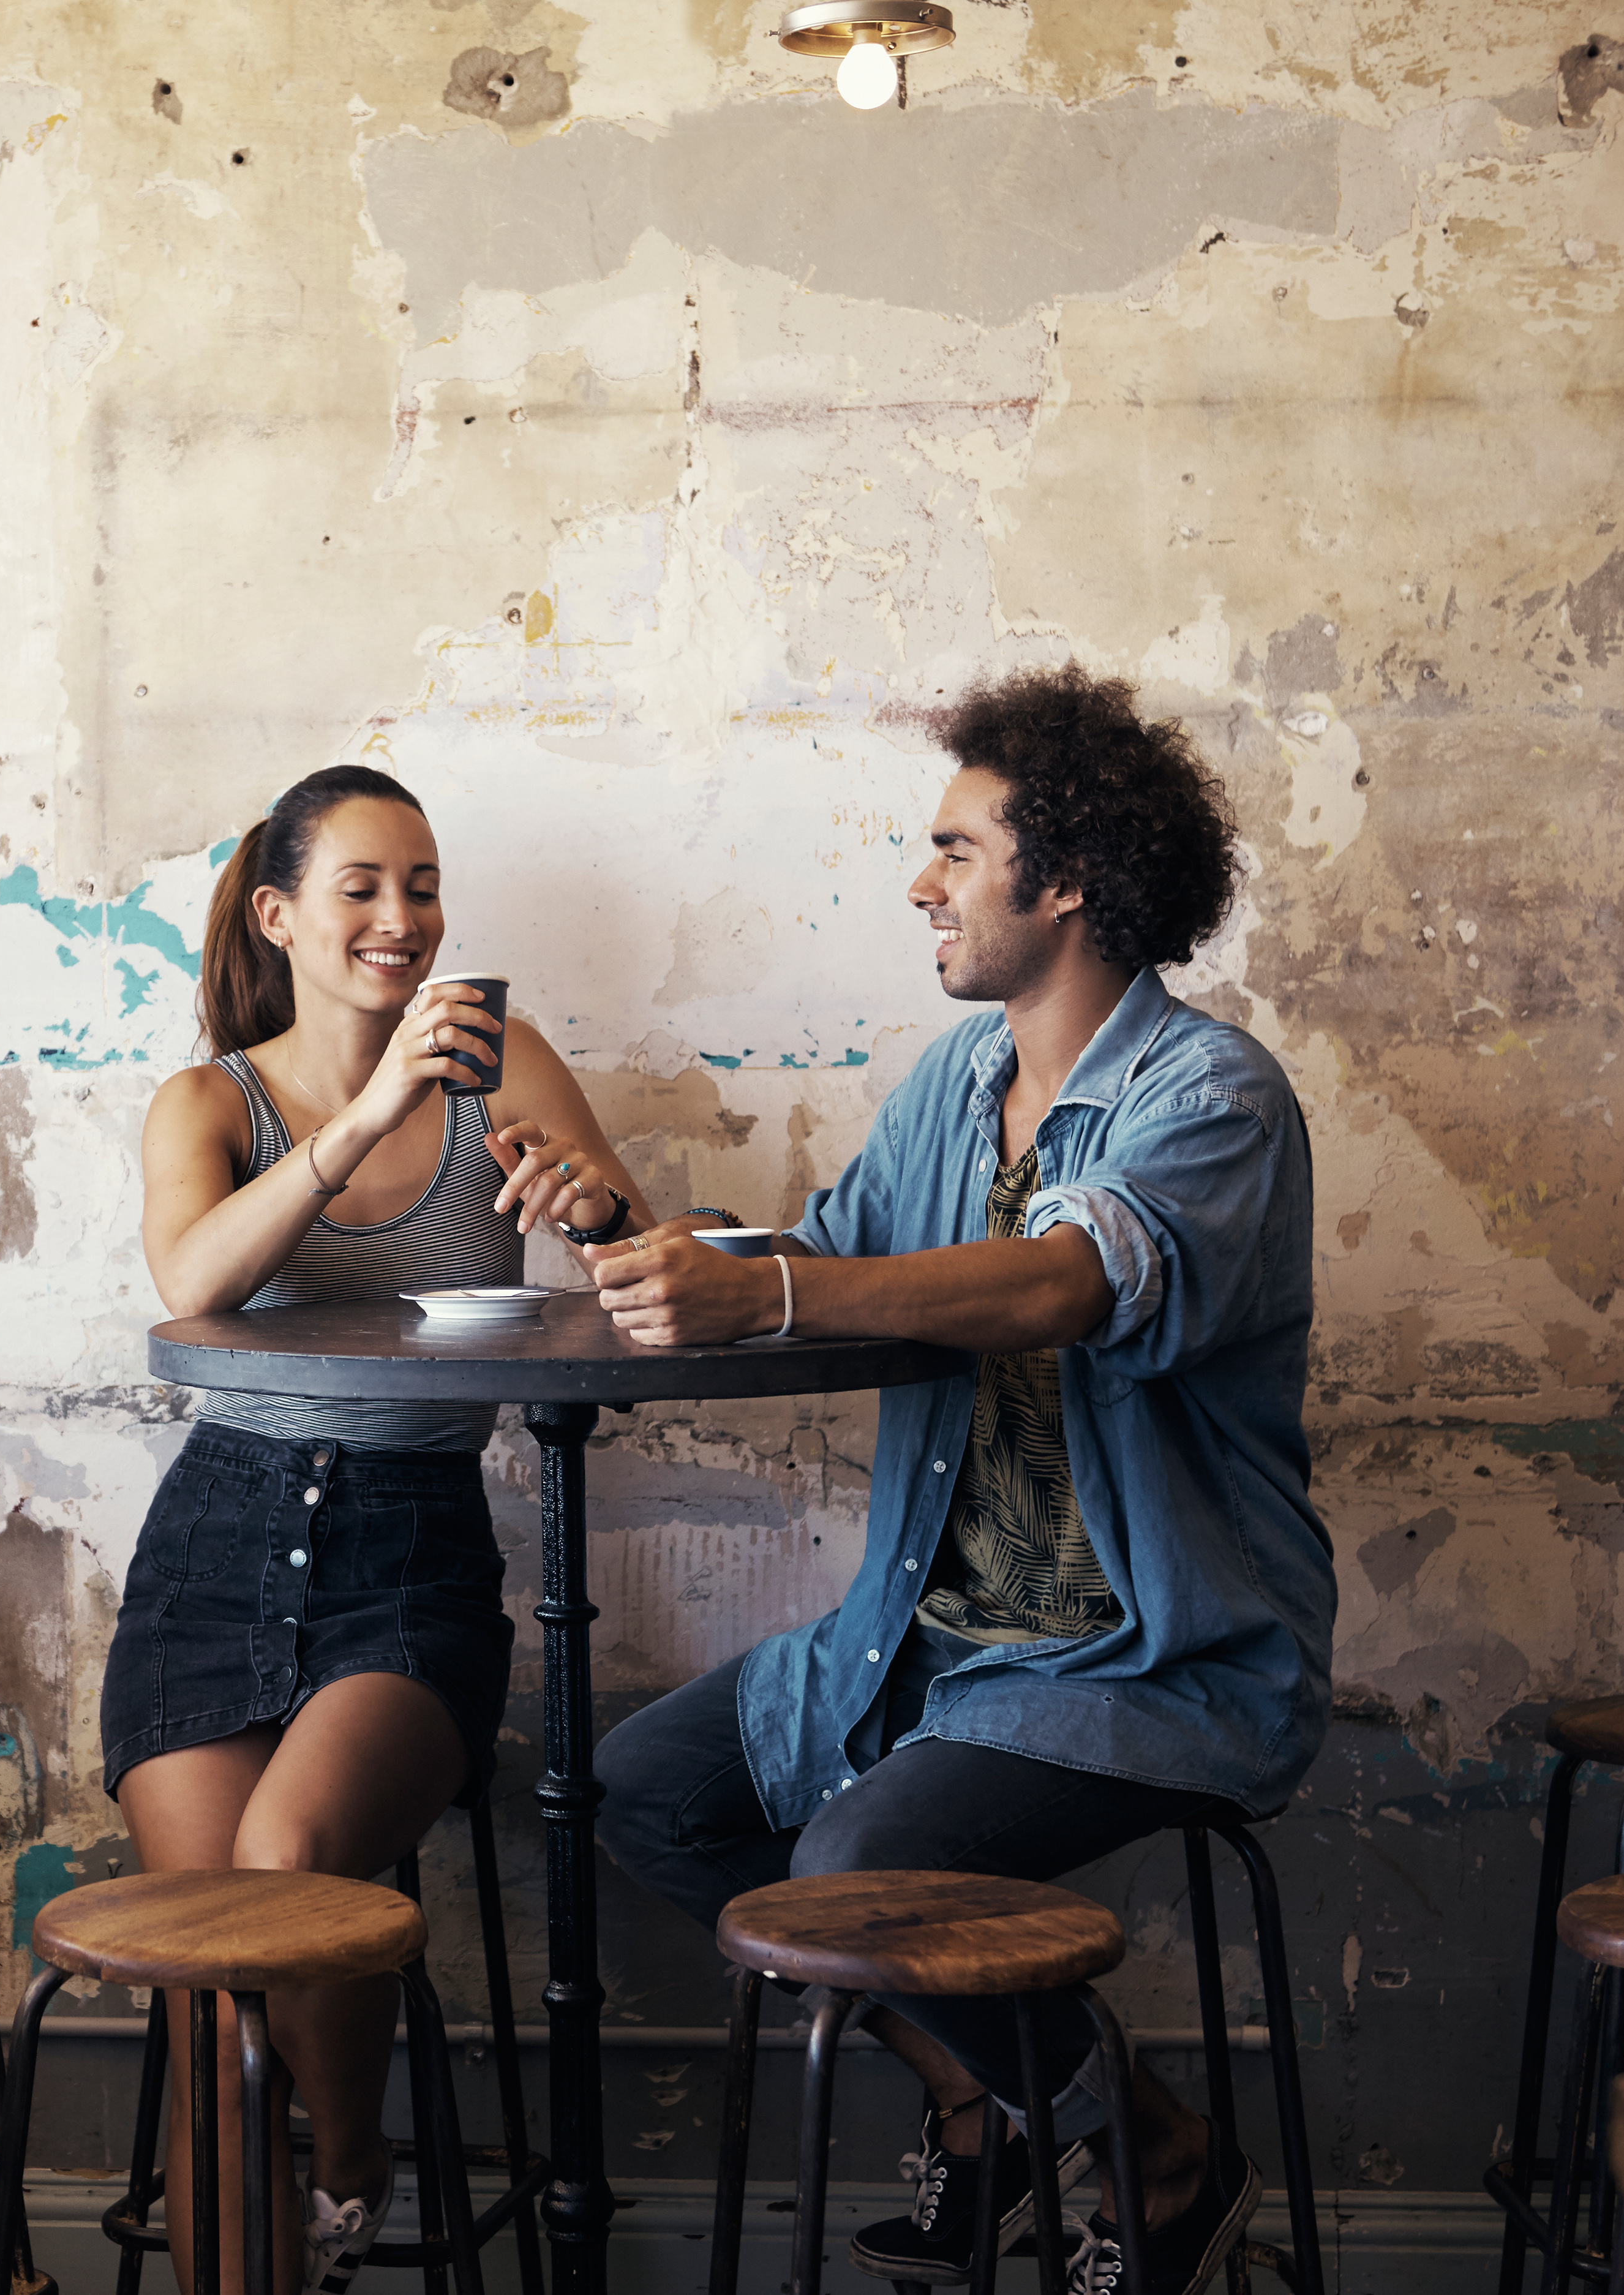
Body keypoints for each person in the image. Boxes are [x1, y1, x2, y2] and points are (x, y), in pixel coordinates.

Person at [582, 666, 1330, 2295]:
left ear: (1063, 880)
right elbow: (841, 1264)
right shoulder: (956, 1085)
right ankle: (992, 2103)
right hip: (928, 1640)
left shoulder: (1214, 1098)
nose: (920, 882)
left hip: (1153, 1659)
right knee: (645, 1789)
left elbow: (1064, 1283)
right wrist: (643, 1237)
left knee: (856, 1864)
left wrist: (769, 1292)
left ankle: (1160, 2149)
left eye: (953, 848)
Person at [112, 763, 661, 2295]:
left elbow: (643, 1263)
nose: (403, 918)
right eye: (362, 886)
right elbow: (192, 1284)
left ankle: (350, 2157)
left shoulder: (508, 1064)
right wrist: (362, 1115)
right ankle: (282, 2232)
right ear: (280, 910)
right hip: (215, 1547)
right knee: (205, 1983)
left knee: (284, 1863)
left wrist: (600, 1210)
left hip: (410, 1549)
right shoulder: (208, 1100)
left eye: (421, 884)